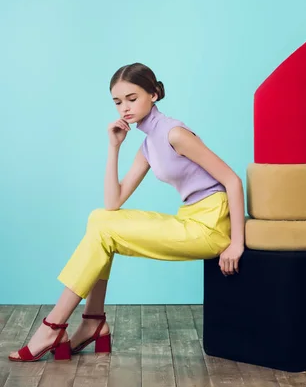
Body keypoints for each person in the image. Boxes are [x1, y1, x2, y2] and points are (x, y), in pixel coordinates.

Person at [9, 63, 245, 362]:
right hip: (189, 217)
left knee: (104, 228)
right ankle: (92, 321)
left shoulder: (175, 133)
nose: (125, 108)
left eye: (132, 98)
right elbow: (113, 202)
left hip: (209, 227)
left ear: (154, 94)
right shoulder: (148, 144)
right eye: (118, 102)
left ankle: (55, 325)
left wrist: (235, 243)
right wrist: (114, 147)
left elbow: (232, 180)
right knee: (100, 218)